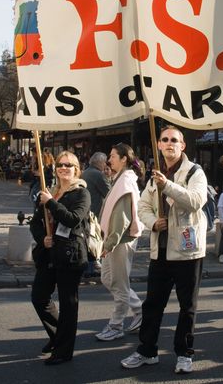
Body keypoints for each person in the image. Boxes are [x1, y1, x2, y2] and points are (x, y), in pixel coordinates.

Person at [120, 125, 207, 375]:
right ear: (158, 145)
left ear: (183, 146)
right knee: (153, 304)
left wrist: (167, 185)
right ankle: (147, 351)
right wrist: (152, 223)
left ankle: (184, 353)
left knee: (186, 307)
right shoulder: (155, 175)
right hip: (160, 250)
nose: (169, 144)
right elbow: (143, 206)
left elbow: (195, 201)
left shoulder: (194, 172)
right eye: (165, 140)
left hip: (187, 252)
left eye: (174, 140)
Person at [30, 150, 90, 365]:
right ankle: (59, 336)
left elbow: (73, 219)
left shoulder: (81, 193)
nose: (64, 168)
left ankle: (64, 350)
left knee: (68, 304)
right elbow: (35, 223)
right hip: (49, 254)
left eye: (69, 165)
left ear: (77, 169)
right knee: (39, 297)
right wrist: (42, 238)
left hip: (70, 255)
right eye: (60, 165)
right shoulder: (51, 192)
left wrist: (51, 204)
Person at [95, 143, 144, 341]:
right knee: (108, 279)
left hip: (120, 241)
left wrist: (108, 244)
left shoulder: (125, 182)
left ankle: (116, 325)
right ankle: (141, 311)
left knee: (119, 283)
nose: (109, 159)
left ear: (124, 159)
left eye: (113, 155)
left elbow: (121, 218)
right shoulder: (120, 179)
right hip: (114, 239)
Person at [81, 152, 110, 278]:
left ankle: (89, 265)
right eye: (105, 162)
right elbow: (110, 193)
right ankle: (92, 266)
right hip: (95, 213)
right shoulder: (98, 175)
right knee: (94, 239)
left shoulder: (86, 172)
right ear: (100, 163)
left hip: (86, 211)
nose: (107, 164)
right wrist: (108, 177)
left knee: (88, 239)